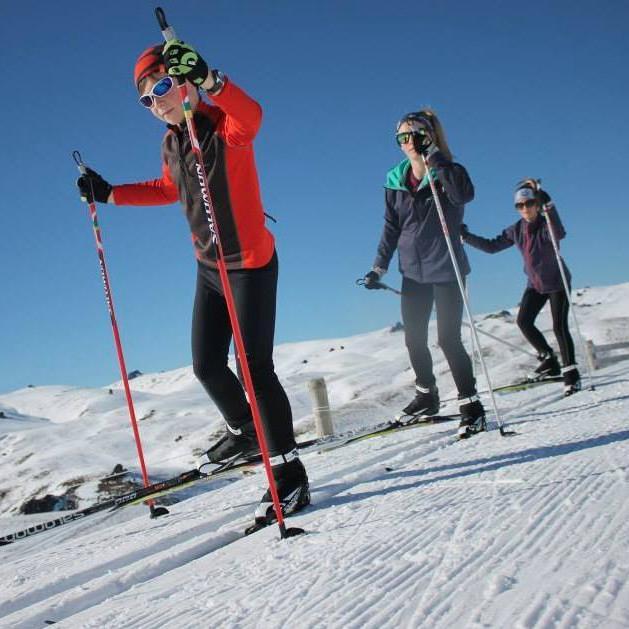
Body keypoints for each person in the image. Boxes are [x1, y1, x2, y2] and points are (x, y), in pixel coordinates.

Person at [77, 40, 309, 523]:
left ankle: (290, 476)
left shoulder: (223, 126)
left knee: (254, 371)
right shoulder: (172, 141)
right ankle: (247, 431)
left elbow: (252, 116)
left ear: (183, 80)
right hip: (209, 268)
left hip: (248, 264)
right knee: (205, 365)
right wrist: (111, 194)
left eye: (161, 86)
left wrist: (210, 79)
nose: (156, 101)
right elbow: (168, 187)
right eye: (146, 98)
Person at [362, 109, 486, 438]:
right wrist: (378, 266)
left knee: (448, 339)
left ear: (430, 136)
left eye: (415, 134)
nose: (409, 142)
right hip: (412, 271)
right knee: (413, 338)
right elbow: (391, 227)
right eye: (402, 137)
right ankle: (427, 395)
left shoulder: (449, 171)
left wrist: (437, 162)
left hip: (447, 268)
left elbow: (464, 196)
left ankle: (471, 406)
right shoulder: (394, 180)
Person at [460, 180, 581, 396]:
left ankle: (571, 375)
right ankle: (548, 359)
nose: (525, 208)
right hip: (534, 284)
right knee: (524, 321)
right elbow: (491, 247)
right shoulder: (515, 230)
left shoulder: (546, 225)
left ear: (537, 204)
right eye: (520, 205)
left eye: (529, 203)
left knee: (559, 326)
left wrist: (549, 204)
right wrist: (465, 236)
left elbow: (558, 233)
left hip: (557, 282)